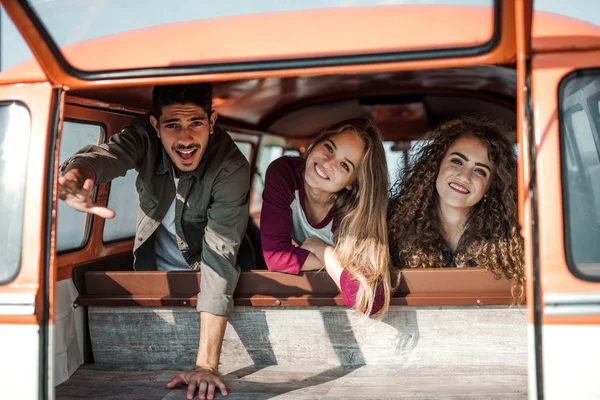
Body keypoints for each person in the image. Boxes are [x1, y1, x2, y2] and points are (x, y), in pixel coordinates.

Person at [58, 83, 249, 400]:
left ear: (212, 122)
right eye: (173, 125)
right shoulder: (142, 138)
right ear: (156, 126)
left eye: (196, 123)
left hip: (211, 281)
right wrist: (77, 176)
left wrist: (205, 365)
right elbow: (108, 155)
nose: (185, 139)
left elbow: (218, 261)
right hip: (153, 276)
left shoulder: (231, 167)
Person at [260, 119, 392, 318]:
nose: (328, 163)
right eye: (329, 148)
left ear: (352, 183)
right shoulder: (284, 173)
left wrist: (323, 250)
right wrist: (339, 264)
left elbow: (369, 300)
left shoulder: (355, 213)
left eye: (344, 165)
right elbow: (276, 257)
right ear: (317, 142)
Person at [388, 116, 525, 301]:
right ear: (437, 165)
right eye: (457, 161)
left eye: (480, 171)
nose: (464, 176)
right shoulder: (392, 228)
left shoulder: (511, 243)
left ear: (490, 187)